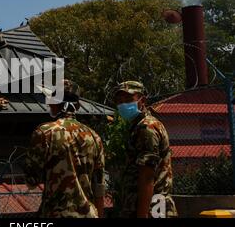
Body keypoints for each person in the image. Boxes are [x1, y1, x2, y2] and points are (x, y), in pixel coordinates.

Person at [24, 79, 106, 218]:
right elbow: (99, 186)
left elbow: (32, 180)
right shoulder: (94, 136)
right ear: (78, 106)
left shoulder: (45, 133)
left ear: (54, 103)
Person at [113, 81, 178, 218]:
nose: (123, 104)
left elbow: (147, 175)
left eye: (129, 99)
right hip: (146, 204)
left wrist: (142, 214)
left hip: (152, 207)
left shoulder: (146, 128)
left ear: (142, 100)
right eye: (119, 101)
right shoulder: (139, 126)